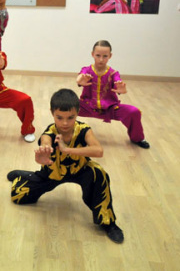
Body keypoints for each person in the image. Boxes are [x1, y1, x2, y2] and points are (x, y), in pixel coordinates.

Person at [8, 89, 124, 243]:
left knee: (98, 172)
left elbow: (99, 151)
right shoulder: (49, 132)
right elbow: (45, 142)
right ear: (52, 113)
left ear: (77, 113)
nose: (64, 123)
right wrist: (43, 155)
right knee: (18, 196)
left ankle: (108, 223)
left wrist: (67, 149)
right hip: (52, 174)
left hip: (80, 170)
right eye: (59, 117)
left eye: (70, 118)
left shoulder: (84, 129)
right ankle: (26, 176)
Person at [77, 40, 149, 149]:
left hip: (109, 109)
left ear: (110, 56)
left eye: (105, 56)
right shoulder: (87, 70)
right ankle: (62, 133)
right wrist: (79, 81)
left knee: (134, 112)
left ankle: (137, 138)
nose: (101, 59)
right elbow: (80, 76)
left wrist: (121, 90)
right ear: (92, 54)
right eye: (98, 55)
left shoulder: (113, 73)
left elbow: (118, 83)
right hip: (87, 106)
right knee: (64, 105)